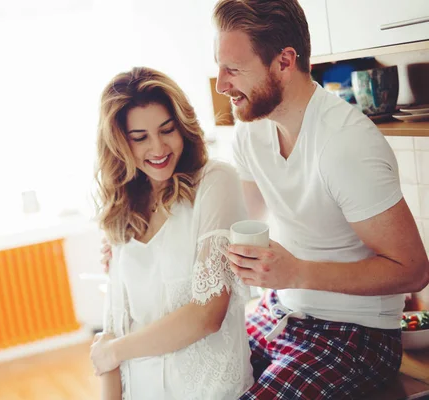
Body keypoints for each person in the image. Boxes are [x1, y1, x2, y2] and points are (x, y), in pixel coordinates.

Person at [212, 0, 429, 398]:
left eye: (234, 70)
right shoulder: (251, 131)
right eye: (220, 67)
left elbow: (413, 270)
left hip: (356, 335)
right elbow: (237, 219)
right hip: (279, 313)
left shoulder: (345, 144)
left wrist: (295, 273)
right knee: (199, 377)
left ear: (284, 62)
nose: (221, 84)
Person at [90, 66, 254, 400]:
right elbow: (111, 334)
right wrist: (113, 353)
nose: (159, 147)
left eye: (167, 130)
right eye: (140, 138)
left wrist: (117, 350)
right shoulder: (122, 210)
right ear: (120, 143)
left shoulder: (215, 183)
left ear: (183, 126)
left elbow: (207, 314)